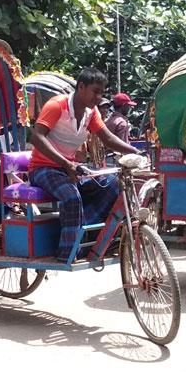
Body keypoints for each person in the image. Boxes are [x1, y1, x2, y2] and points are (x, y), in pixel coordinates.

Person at [29, 69, 139, 259]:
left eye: (101, 93)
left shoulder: (91, 112)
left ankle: (87, 237)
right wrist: (65, 163)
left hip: (69, 169)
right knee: (71, 197)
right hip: (43, 168)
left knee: (112, 183)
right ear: (81, 87)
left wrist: (135, 151)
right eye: (95, 91)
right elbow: (37, 137)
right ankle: (66, 252)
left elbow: (107, 138)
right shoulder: (57, 105)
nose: (98, 97)